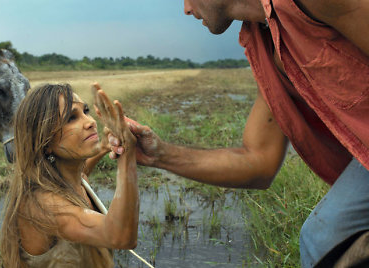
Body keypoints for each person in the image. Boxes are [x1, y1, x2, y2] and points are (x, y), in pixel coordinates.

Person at [101, 0, 369, 267]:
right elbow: (259, 161)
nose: (186, 9)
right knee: (323, 239)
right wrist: (158, 154)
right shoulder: (267, 42)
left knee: (324, 236)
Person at [0, 83, 138, 268]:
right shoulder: (43, 205)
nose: (90, 122)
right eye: (71, 118)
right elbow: (121, 236)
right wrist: (127, 155)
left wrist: (104, 146)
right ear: (45, 141)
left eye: (86, 111)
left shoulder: (73, 180)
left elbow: (82, 172)